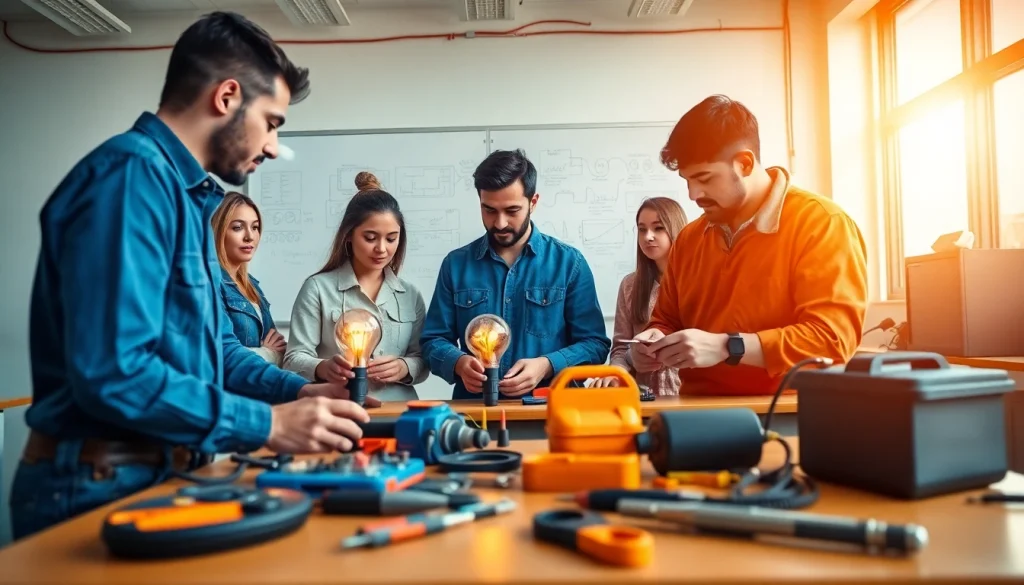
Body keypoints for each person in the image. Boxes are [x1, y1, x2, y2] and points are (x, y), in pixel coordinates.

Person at [12, 12, 372, 541]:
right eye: (271, 122)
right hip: (98, 479)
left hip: (159, 471)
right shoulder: (131, 179)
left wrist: (298, 393)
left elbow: (215, 353)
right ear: (226, 97)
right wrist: (268, 426)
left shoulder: (187, 201)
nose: (272, 146)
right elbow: (116, 373)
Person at [631, 95, 869, 395]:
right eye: (687, 180)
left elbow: (832, 339)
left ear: (744, 163)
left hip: (785, 412)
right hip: (695, 410)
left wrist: (728, 346)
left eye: (704, 178)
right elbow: (667, 320)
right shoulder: (689, 239)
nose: (692, 194)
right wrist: (653, 341)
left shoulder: (822, 223)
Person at [420, 149, 610, 399]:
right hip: (476, 414)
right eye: (489, 210)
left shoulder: (569, 263)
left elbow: (595, 345)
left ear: (533, 202)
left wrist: (547, 365)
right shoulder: (455, 265)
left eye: (512, 211)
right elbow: (433, 340)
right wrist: (458, 363)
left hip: (549, 411)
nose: (499, 223)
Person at [283, 172, 429, 402]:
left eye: (391, 239)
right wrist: (323, 368)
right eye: (370, 238)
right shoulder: (318, 288)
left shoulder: (410, 295)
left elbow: (422, 359)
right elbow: (293, 359)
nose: (381, 248)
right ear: (349, 235)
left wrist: (404, 367)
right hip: (338, 409)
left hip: (398, 410)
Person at [594, 197, 687, 395]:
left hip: (691, 399)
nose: (648, 237)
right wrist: (619, 368)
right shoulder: (630, 285)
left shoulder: (698, 281)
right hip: (644, 399)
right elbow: (620, 349)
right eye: (642, 229)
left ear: (676, 229)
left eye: (658, 228)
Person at [212, 191, 286, 365]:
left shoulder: (251, 284)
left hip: (258, 387)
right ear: (218, 230)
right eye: (238, 227)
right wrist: (267, 353)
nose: (250, 236)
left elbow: (280, 347)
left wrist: (267, 353)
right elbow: (219, 358)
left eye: (255, 227)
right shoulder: (211, 282)